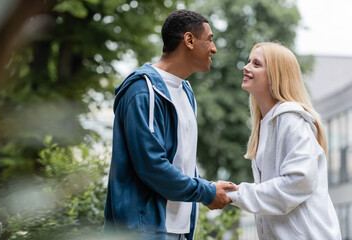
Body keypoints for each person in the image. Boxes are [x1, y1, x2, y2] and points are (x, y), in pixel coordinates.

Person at [103, 9, 237, 240]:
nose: (214, 49)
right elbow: (151, 166)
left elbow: (181, 163)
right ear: (189, 40)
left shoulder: (185, 91)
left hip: (180, 230)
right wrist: (206, 191)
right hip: (144, 231)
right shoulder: (143, 91)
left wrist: (208, 187)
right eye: (210, 40)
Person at [227, 42, 342, 239]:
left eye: (256, 64)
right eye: (248, 62)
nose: (246, 68)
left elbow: (299, 182)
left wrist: (235, 195)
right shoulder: (266, 124)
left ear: (275, 74)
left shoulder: (291, 119)